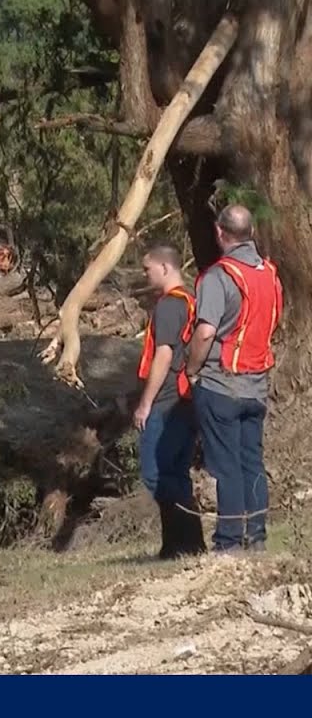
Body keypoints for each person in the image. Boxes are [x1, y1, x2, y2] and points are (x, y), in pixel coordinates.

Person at [184, 205, 283, 553]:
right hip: (257, 384)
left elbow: (205, 331)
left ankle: (228, 543)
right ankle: (256, 538)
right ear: (252, 232)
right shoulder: (270, 275)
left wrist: (192, 370)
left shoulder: (218, 276)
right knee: (252, 462)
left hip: (221, 383)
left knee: (226, 466)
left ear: (219, 232)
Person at [132, 245, 207, 559]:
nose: (145, 275)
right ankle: (177, 546)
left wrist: (145, 403)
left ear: (165, 267)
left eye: (148, 269)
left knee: (155, 472)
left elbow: (163, 354)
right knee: (175, 472)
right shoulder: (191, 301)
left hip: (167, 400)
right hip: (188, 399)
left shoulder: (168, 306)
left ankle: (188, 539)